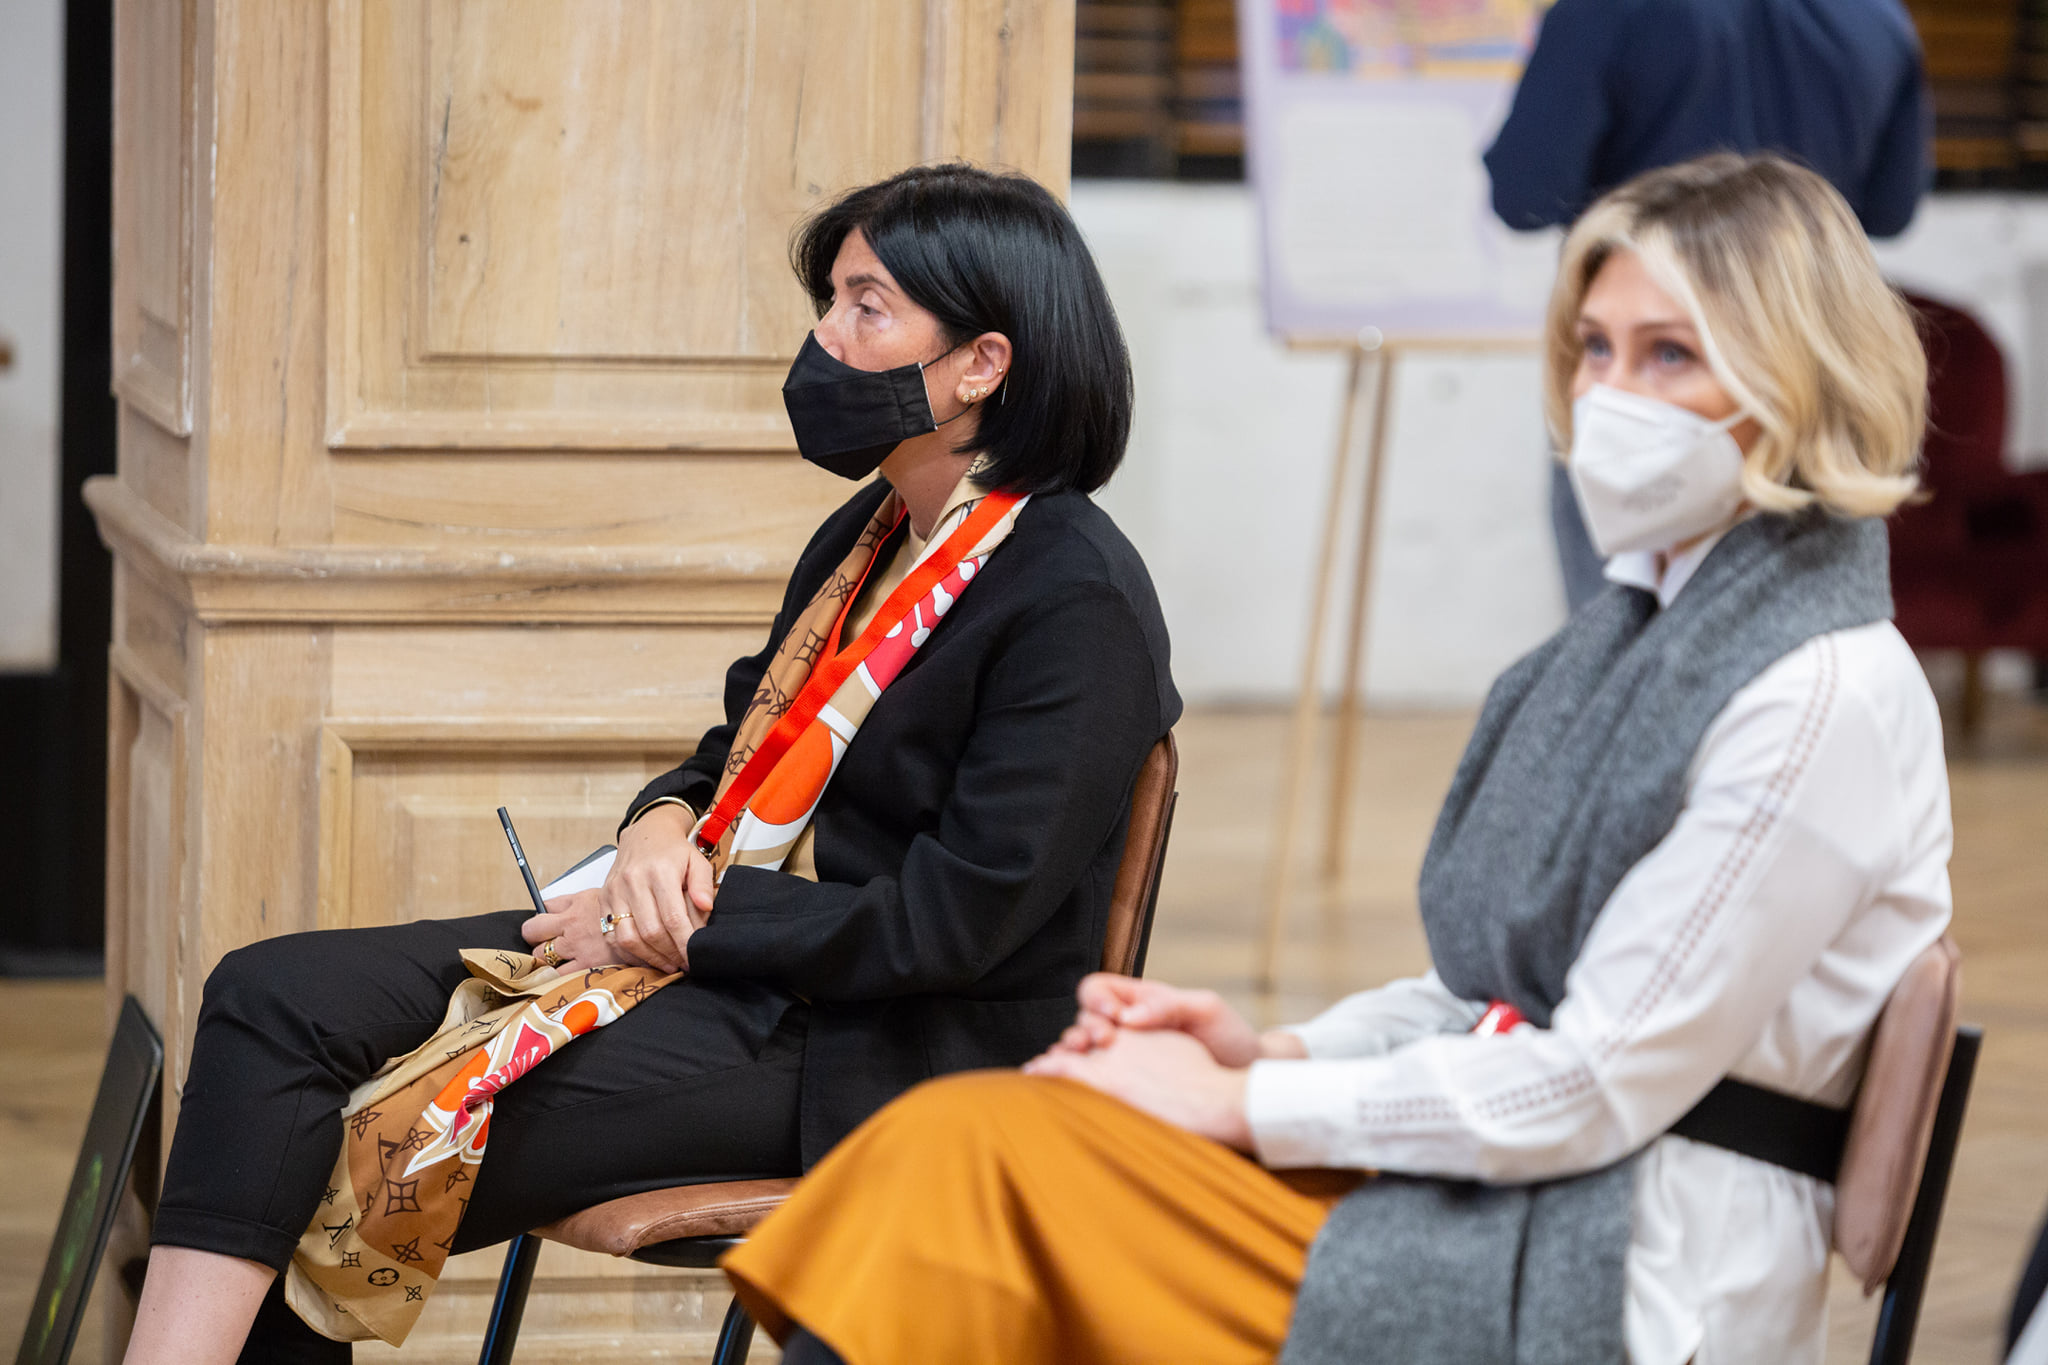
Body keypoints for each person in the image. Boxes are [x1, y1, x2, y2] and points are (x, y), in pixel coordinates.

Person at [722, 155, 1952, 1365]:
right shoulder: (1625, 642)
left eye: (1667, 354)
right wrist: (1268, 1052)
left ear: (1801, 377)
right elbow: (1484, 997)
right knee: (956, 1146)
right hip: (1490, 1188)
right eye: (1593, 348)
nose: (1609, 392)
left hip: (1623, 1264)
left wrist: (1242, 1105)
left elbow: (1589, 1085)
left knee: (976, 1179)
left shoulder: (1814, 696)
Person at [120, 163, 1180, 1365]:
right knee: (270, 996)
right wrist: (658, 828)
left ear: (981, 364)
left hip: (882, 1046)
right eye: (830, 301)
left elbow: (950, 927)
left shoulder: (1075, 599)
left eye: (865, 308)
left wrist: (679, 927)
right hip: (730, 960)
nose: (824, 340)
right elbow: (735, 753)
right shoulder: (876, 531)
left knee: (338, 1141)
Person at [1482, 0, 1930, 611]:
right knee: (1794, 611)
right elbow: (1891, 209)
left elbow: (1523, 192)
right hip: (1803, 367)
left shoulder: (1604, 11)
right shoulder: (1877, 19)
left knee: (1621, 626)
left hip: (1648, 379)